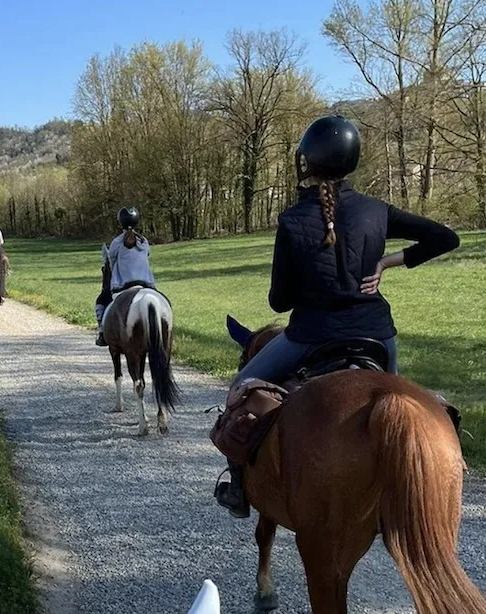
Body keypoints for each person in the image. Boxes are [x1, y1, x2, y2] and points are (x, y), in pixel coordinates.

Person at [215, 114, 460, 517]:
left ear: (307, 162)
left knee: (240, 388)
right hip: (377, 336)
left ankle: (239, 489)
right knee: (404, 404)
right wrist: (387, 261)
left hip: (311, 335)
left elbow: (279, 302)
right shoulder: (376, 210)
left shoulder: (292, 220)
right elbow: (445, 237)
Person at [94, 206, 157, 346]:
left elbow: (111, 263)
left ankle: (102, 332)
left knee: (101, 300)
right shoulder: (144, 242)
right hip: (147, 284)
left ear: (120, 222)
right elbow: (146, 256)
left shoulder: (116, 243)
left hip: (123, 285)